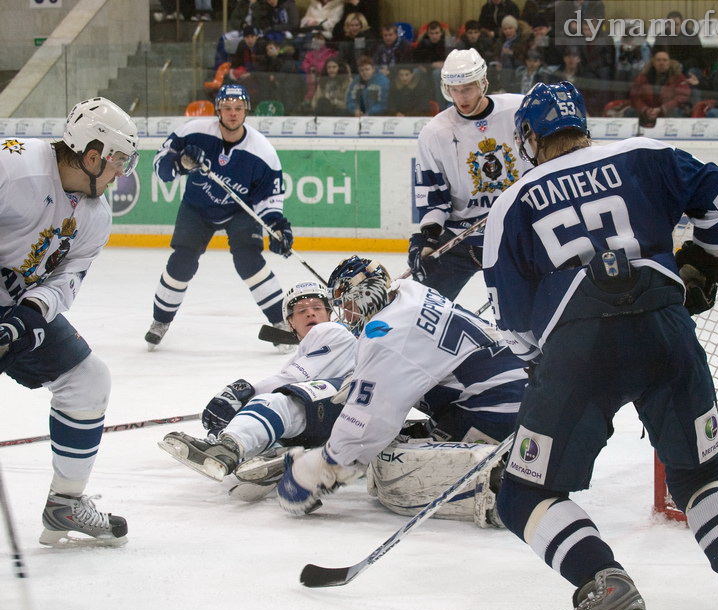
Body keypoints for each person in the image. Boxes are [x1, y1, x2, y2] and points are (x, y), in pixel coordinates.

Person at [481, 81, 718, 610]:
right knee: (700, 471)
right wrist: (700, 258)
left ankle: (604, 583)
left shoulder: (514, 200)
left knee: (521, 494)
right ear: (582, 123)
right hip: (664, 328)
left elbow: (513, 320)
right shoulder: (643, 153)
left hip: (579, 348)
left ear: (529, 137)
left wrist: (546, 372)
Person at [275, 256, 528, 524]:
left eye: (346, 304)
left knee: (393, 473)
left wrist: (323, 467)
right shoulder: (410, 291)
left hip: (498, 410)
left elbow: (368, 423)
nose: (345, 315)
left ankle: (498, 489)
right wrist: (365, 375)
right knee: (408, 435)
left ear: (362, 297)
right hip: (517, 394)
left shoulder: (385, 338)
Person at [0, 97, 138, 546]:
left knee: (88, 379)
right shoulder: (13, 165)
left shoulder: (96, 216)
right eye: (118, 161)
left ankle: (65, 504)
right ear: (93, 154)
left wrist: (31, 316)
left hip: (15, 309)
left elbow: (67, 279)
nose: (121, 173)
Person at [158, 281, 357, 497]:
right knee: (284, 411)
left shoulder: (333, 332)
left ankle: (227, 449)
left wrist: (244, 394)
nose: (310, 313)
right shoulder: (305, 353)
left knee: (280, 402)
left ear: (329, 314)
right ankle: (272, 455)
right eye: (301, 310)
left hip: (349, 411)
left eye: (317, 308)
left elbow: (292, 379)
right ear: (290, 322)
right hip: (339, 427)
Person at [145, 84, 294, 351]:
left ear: (246, 110)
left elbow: (269, 199)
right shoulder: (194, 131)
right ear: (218, 110)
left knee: (249, 260)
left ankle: (280, 323)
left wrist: (275, 226)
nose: (233, 113)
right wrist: (180, 163)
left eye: (238, 108)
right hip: (197, 208)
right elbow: (160, 168)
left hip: (239, 211)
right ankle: (160, 321)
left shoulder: (263, 151)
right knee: (182, 262)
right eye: (227, 108)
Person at [407, 48, 532, 301]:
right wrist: (428, 237)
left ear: (483, 83)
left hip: (515, 233)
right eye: (455, 89)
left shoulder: (520, 110)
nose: (461, 97)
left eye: (468, 88)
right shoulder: (434, 133)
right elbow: (434, 197)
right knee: (421, 305)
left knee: (529, 307)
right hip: (460, 239)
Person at [624, 48, 690, 127]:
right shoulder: (642, 77)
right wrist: (645, 109)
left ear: (669, 62)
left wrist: (662, 109)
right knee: (630, 111)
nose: (661, 63)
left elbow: (682, 97)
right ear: (653, 62)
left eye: (664, 60)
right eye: (658, 60)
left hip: (668, 110)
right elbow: (634, 96)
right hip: (646, 110)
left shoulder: (678, 77)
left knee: (676, 111)